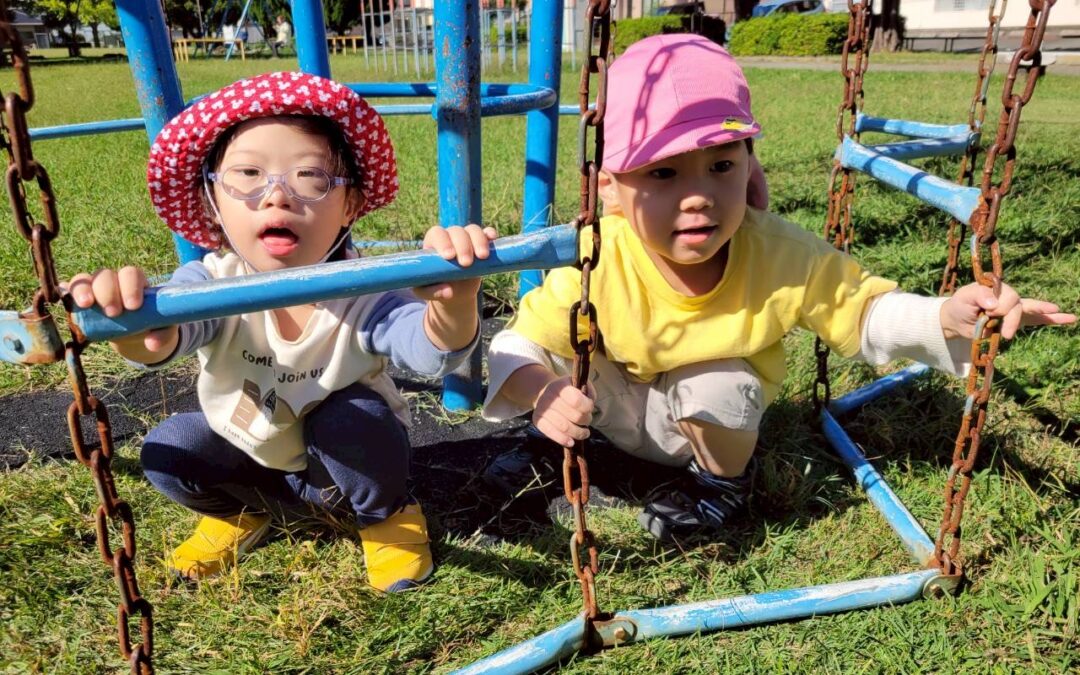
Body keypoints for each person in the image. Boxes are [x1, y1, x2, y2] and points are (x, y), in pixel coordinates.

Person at [480, 34, 1075, 543]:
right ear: (610, 186)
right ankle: (545, 445)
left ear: (749, 164)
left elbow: (862, 310)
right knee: (560, 350)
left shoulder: (777, 252)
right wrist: (543, 394)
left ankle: (720, 487)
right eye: (663, 172)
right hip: (604, 409)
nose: (699, 196)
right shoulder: (598, 253)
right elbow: (516, 343)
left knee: (721, 379)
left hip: (697, 430)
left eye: (721, 166)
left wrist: (947, 316)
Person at [67, 72, 496, 592]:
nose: (276, 196)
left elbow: (428, 351)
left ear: (350, 205)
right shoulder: (211, 283)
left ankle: (386, 515)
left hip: (339, 475)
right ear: (212, 199)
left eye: (309, 177)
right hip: (254, 462)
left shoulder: (362, 288)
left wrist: (454, 304)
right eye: (248, 174)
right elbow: (165, 338)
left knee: (354, 416)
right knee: (169, 447)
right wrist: (130, 324)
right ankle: (242, 514)